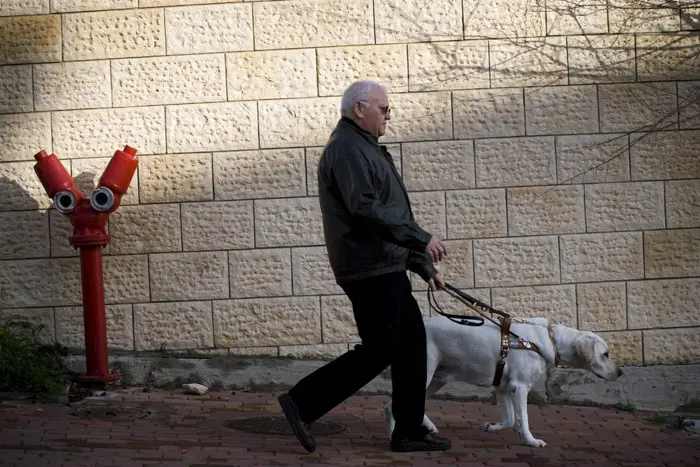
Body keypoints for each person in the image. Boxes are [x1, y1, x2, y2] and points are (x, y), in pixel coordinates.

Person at [278, 80, 451, 453]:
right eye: (384, 109)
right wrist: (420, 238)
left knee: (410, 345)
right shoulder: (347, 149)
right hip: (368, 267)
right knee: (383, 347)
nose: (388, 116)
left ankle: (408, 429)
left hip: (382, 264)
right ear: (360, 108)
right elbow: (366, 210)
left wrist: (422, 265)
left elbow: (386, 214)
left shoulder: (364, 148)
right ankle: (302, 402)